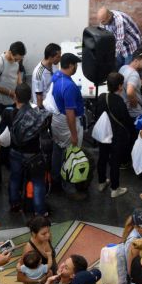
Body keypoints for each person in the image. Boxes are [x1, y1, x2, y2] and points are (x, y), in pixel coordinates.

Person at [47, 53, 85, 201]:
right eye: (75, 65)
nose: (76, 67)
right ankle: (69, 187)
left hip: (57, 120)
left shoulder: (57, 76)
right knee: (70, 155)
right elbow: (70, 113)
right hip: (67, 122)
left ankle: (55, 178)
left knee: (58, 149)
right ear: (71, 65)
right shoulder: (69, 87)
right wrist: (74, 135)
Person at [5, 83, 46, 215]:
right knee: (38, 182)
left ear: (15, 96)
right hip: (33, 153)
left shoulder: (8, 113)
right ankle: (39, 212)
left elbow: (3, 133)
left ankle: (14, 203)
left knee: (15, 178)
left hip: (15, 152)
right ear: (30, 97)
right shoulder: (37, 114)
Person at [93, 70, 132, 198]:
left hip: (103, 135)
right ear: (120, 86)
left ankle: (101, 182)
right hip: (116, 137)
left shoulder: (101, 97)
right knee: (115, 161)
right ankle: (115, 189)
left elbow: (96, 113)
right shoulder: (120, 102)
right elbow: (126, 120)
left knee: (102, 158)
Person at [19, 216, 56, 284]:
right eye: (44, 234)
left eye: (48, 232)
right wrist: (40, 280)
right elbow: (20, 276)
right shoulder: (29, 249)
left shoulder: (47, 239)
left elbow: (52, 259)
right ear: (34, 234)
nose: (48, 235)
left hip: (51, 280)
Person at [0, 41, 25, 120]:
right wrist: (10, 93)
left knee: (16, 120)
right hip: (4, 101)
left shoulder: (17, 60)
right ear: (10, 52)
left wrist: (20, 83)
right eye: (16, 59)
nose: (17, 62)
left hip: (15, 98)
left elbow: (17, 70)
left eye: (19, 60)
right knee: (7, 122)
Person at [118, 49, 142, 123]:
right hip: (134, 113)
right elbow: (130, 92)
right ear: (136, 60)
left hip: (124, 110)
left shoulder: (123, 67)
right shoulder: (134, 74)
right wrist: (134, 105)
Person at [31, 43, 61, 108]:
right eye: (58, 57)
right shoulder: (39, 73)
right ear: (50, 57)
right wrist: (43, 112)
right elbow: (39, 98)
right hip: (44, 107)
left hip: (51, 104)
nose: (60, 59)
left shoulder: (53, 65)